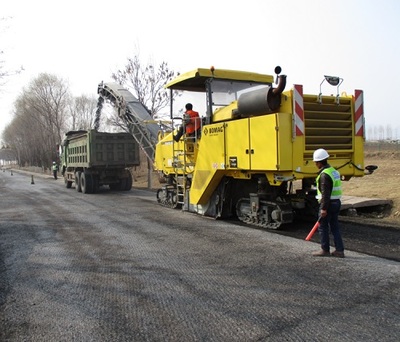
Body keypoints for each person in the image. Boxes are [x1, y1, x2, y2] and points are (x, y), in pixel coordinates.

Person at [312, 148, 345, 258]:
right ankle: (339, 250)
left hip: (328, 204)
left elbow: (326, 194)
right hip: (337, 203)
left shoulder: (324, 175)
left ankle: (324, 249)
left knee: (323, 227)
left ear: (319, 162)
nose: (315, 164)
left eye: (316, 162)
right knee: (335, 227)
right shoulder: (334, 171)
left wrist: (323, 209)